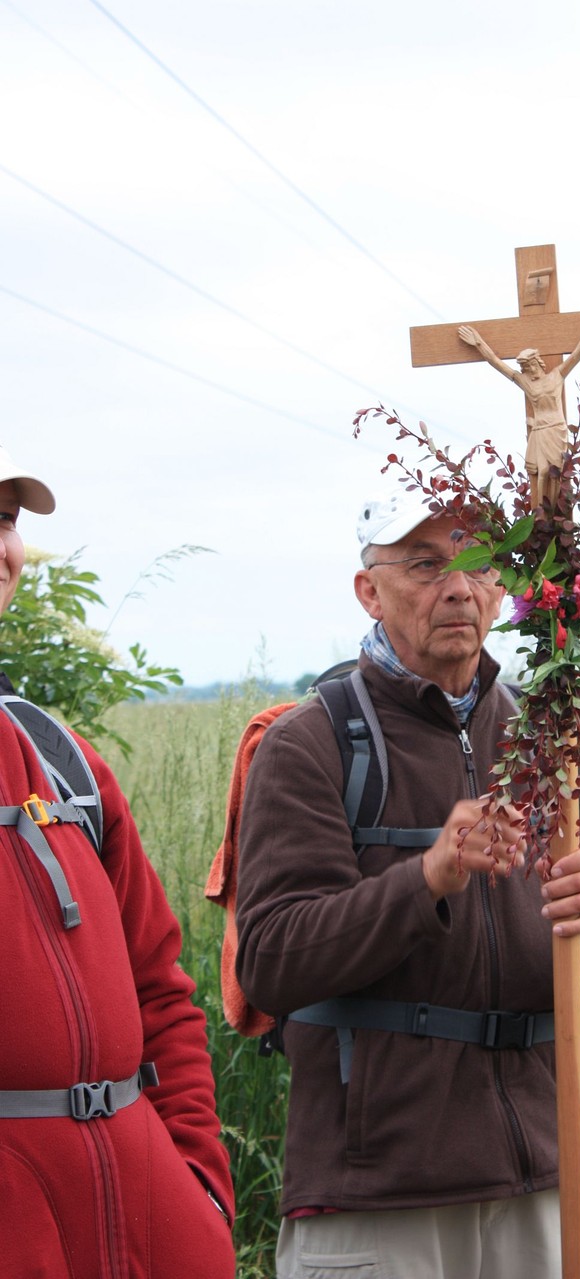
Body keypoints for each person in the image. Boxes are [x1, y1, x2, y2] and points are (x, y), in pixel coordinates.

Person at [235, 490, 580, 1279]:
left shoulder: (553, 737)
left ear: (501, 588)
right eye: (424, 564)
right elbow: (270, 960)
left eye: (476, 565)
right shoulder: (312, 743)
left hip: (544, 1180)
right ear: (369, 589)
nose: (457, 588)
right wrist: (426, 879)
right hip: (378, 1194)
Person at [0, 442, 236, 1278]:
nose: (2, 546)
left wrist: (200, 1193)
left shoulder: (60, 757)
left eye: (5, 520)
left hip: (149, 1228)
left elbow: (162, 992)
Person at [458, 313, 580, 509]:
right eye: (526, 367)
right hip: (540, 431)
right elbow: (497, 363)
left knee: (555, 471)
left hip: (557, 429)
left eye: (531, 364)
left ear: (538, 362)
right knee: (542, 472)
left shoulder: (557, 376)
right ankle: (539, 513)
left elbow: (576, 356)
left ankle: (554, 510)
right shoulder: (526, 383)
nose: (530, 369)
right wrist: (478, 343)